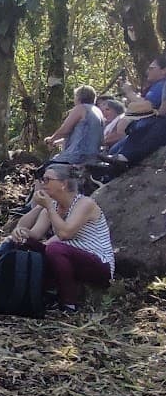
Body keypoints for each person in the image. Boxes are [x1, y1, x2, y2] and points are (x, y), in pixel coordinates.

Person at [24, 161, 115, 310]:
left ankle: (68, 302)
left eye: (47, 180)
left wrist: (47, 207)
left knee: (54, 249)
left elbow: (65, 233)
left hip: (98, 262)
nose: (43, 184)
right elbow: (34, 234)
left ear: (63, 184)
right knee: (27, 244)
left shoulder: (85, 203)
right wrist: (22, 232)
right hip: (69, 255)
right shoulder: (53, 206)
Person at [48, 86, 105, 165]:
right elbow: (86, 135)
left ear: (78, 97)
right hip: (93, 157)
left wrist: (51, 139)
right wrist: (57, 142)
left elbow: (65, 130)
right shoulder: (98, 111)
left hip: (77, 156)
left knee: (43, 170)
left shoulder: (81, 108)